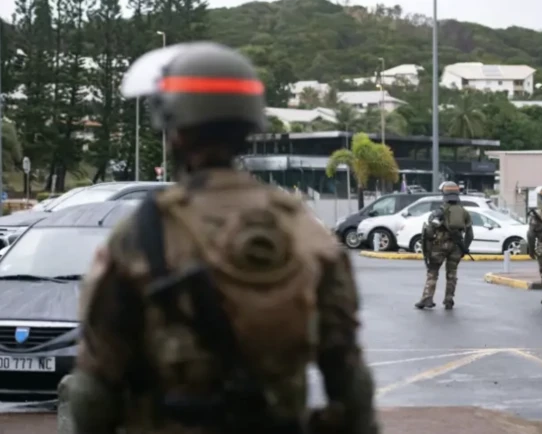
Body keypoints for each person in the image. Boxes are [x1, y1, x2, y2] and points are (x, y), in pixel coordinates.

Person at [67, 41, 379, 434]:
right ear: (249, 126)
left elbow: (95, 387)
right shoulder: (303, 228)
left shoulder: (144, 231)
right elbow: (349, 379)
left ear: (176, 132)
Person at [415, 181, 473, 310]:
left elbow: (429, 231)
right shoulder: (464, 212)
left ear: (444, 194)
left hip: (439, 247)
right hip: (456, 247)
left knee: (433, 272)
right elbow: (470, 234)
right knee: (452, 274)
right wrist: (464, 248)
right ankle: (449, 300)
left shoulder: (439, 212)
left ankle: (427, 299)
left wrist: (428, 246)